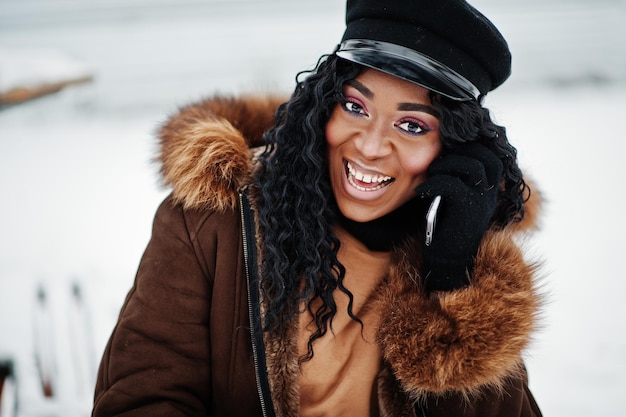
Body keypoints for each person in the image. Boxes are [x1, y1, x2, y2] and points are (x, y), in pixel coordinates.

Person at [92, 0, 544, 416]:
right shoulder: (212, 219)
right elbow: (140, 399)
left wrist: (454, 278)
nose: (369, 146)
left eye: (411, 125)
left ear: (452, 147)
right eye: (355, 106)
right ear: (322, 108)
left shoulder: (457, 253)